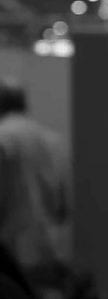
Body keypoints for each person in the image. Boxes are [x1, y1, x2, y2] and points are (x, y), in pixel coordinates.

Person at [0, 78, 70, 274]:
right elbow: (62, 203)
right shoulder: (50, 139)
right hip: (48, 244)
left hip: (11, 246)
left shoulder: (3, 138)